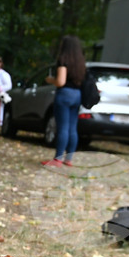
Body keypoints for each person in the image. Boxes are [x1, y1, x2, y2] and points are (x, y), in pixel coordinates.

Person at [42, 35, 86, 166]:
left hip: (65, 94)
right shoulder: (81, 63)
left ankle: (57, 159)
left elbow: (61, 81)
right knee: (73, 127)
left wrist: (51, 80)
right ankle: (69, 158)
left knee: (62, 127)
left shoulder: (63, 60)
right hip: (77, 95)